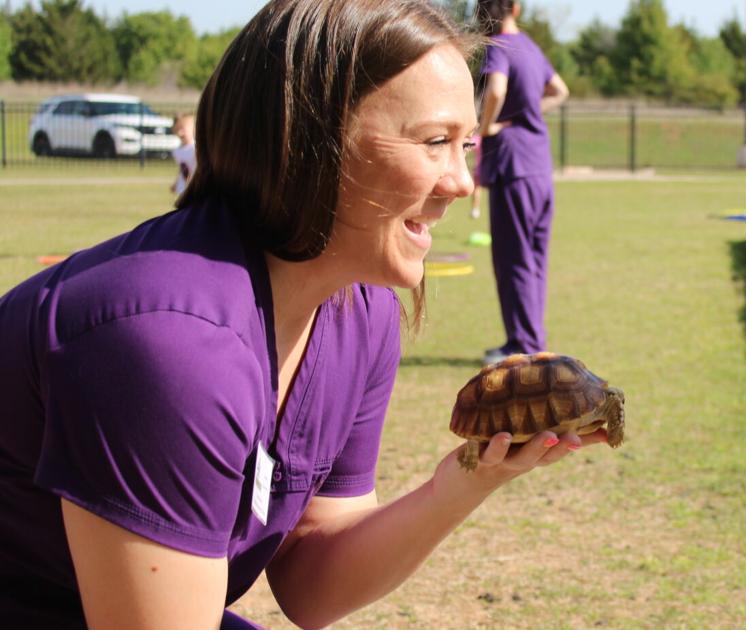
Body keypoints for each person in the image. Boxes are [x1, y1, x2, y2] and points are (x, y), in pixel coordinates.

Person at [0, 2, 606, 627]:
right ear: (307, 138)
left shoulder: (360, 310)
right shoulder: (168, 343)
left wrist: (463, 484)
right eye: (434, 142)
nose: (462, 182)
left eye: (467, 144)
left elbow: (310, 581)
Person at [474, 0, 569, 365]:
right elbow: (560, 90)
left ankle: (523, 346)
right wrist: (528, 112)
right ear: (516, 6)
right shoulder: (530, 46)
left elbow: (495, 90)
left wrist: (487, 127)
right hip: (540, 168)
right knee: (534, 259)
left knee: (514, 259)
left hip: (513, 167)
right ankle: (532, 340)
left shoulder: (498, 46)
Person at [169, 113, 196, 196]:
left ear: (193, 129)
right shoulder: (177, 151)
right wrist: (176, 183)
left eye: (183, 129)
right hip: (183, 187)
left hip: (195, 186)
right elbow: (183, 169)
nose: (180, 133)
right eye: (177, 129)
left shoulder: (196, 149)